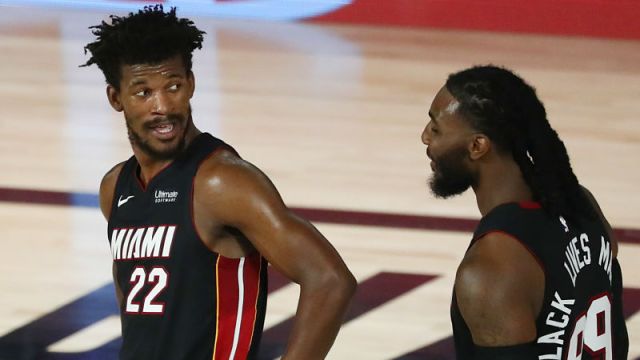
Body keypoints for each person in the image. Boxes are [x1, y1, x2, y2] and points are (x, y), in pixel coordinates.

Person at [83, 5, 356, 360]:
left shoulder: (222, 181)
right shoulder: (115, 187)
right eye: (143, 92)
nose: (163, 106)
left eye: (174, 86)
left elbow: (330, 281)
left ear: (192, 84)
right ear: (116, 98)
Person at [421, 65, 628, 359]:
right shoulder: (580, 202)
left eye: (436, 128)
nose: (425, 137)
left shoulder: (490, 269)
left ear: (478, 146)